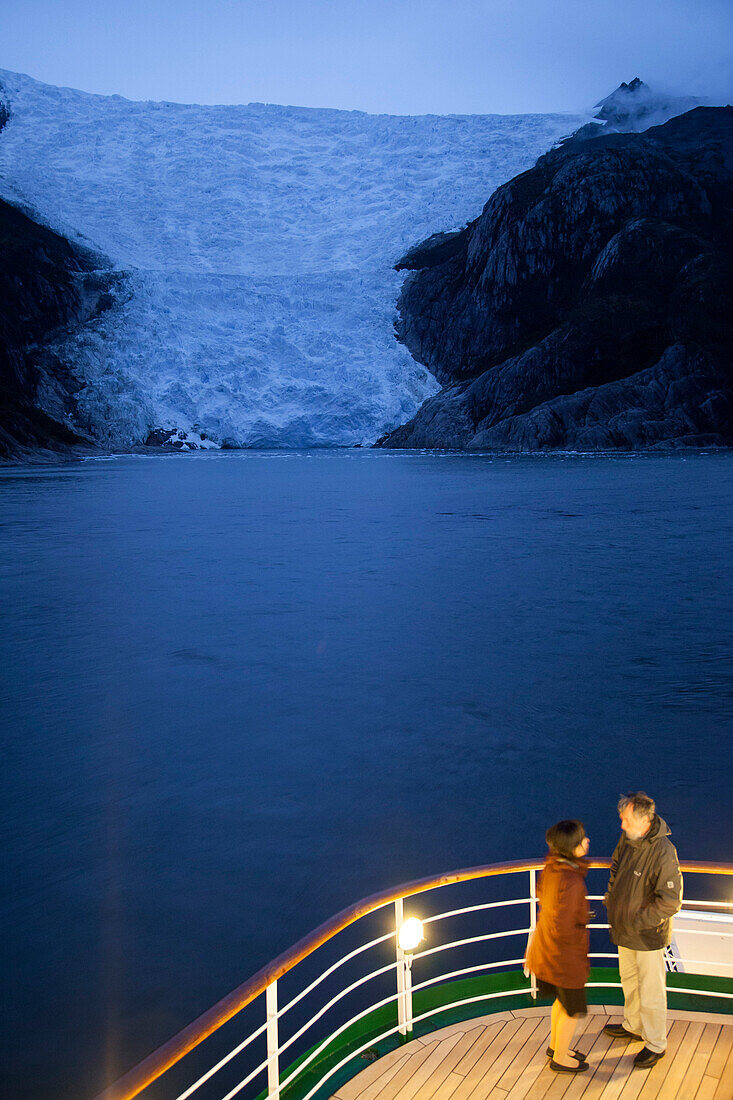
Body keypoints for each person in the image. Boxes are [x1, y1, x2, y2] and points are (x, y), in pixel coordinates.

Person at [603, 792, 683, 1069]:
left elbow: (670, 902)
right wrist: (611, 900)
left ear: (644, 821)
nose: (622, 826)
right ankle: (633, 1026)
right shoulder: (628, 840)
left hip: (647, 936)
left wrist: (636, 920)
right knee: (630, 981)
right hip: (624, 930)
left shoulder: (663, 852)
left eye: (625, 820)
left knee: (651, 990)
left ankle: (656, 1043)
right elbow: (615, 870)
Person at [525, 819, 592, 1074]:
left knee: (560, 1003)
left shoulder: (553, 868)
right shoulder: (572, 881)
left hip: (547, 951)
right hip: (562, 956)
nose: (586, 841)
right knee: (571, 1008)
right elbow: (564, 926)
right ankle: (561, 1058)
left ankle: (556, 1047)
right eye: (581, 839)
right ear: (571, 848)